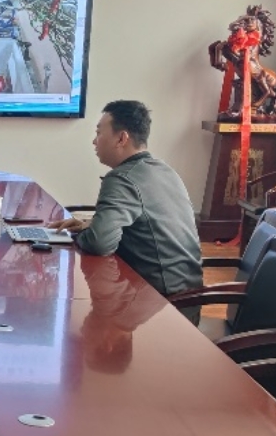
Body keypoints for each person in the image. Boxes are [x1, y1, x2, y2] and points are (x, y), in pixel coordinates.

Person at [48, 100, 204, 302]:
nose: (94, 141)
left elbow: (99, 243)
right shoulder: (163, 170)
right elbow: (143, 224)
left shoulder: (122, 178)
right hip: (188, 295)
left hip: (162, 302)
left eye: (99, 133)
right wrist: (92, 225)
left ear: (121, 138)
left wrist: (81, 236)